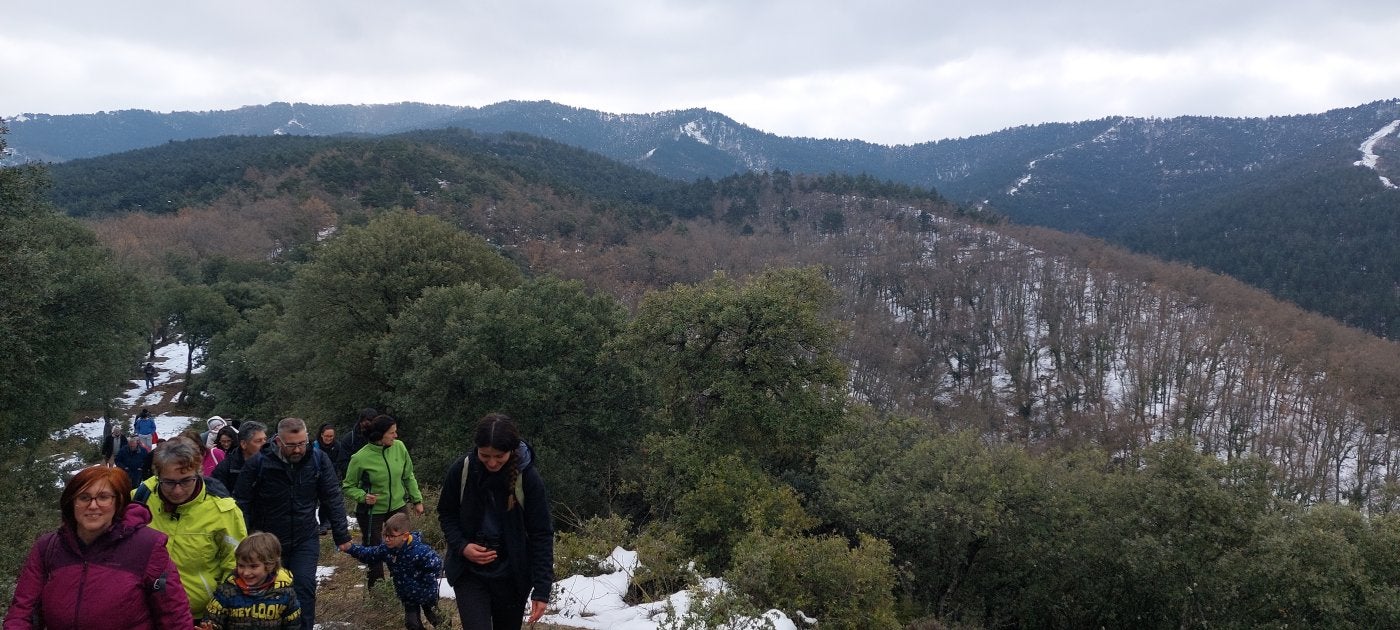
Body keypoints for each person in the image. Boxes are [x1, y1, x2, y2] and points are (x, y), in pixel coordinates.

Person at [4, 466, 193, 629]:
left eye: (103, 497)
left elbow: (174, 617)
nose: (93, 506)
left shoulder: (147, 547)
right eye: (84, 497)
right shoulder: (48, 548)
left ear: (118, 502)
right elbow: (23, 612)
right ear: (72, 503)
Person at [439, 413, 554, 629]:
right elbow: (447, 514)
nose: (492, 463)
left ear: (511, 451)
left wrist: (542, 589)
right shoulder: (462, 469)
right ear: (477, 449)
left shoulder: (528, 478)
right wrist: (462, 547)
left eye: (499, 456)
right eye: (485, 456)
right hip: (469, 572)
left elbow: (541, 534)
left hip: (512, 574)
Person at [234, 417, 351, 630]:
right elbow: (242, 502)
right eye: (292, 445)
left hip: (304, 537)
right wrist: (243, 539)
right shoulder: (258, 463)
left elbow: (332, 496)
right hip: (267, 542)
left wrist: (341, 535)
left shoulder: (317, 459)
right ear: (278, 441)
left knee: (304, 587)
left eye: (302, 443)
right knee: (268, 592)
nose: (298, 450)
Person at [137, 439, 247, 619]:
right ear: (158, 476)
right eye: (169, 482)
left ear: (199, 473)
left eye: (186, 481)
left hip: (200, 615)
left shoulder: (223, 511)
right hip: (146, 612)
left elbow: (236, 565)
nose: (178, 491)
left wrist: (220, 611)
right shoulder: (141, 499)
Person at [343, 415, 425, 588]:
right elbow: (348, 486)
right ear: (380, 435)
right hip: (372, 511)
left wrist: (417, 500)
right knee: (375, 549)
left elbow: (408, 475)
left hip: (397, 505)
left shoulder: (400, 447)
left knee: (403, 545)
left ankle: (404, 585)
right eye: (392, 433)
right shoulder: (360, 457)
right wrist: (363, 496)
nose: (395, 436)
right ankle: (378, 590)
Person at [344, 512, 443, 630]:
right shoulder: (387, 549)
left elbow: (437, 564)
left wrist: (426, 581)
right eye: (385, 535)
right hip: (408, 596)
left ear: (405, 536)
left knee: (436, 619)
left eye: (391, 536)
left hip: (427, 594)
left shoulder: (420, 551)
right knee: (412, 624)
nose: (387, 539)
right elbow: (370, 554)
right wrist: (351, 548)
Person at [200, 532, 300, 630]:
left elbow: (293, 624)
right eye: (241, 565)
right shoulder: (227, 591)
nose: (246, 573)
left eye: (253, 566)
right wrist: (210, 626)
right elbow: (212, 618)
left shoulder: (284, 593)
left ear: (270, 565)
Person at [211, 421, 268, 492]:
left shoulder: (272, 463)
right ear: (244, 444)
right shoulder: (225, 468)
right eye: (258, 441)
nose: (264, 444)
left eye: (265, 439)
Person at [311, 423, 346, 536]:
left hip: (331, 478)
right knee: (313, 502)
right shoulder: (314, 446)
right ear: (321, 435)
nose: (329, 438)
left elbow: (340, 461)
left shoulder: (337, 446)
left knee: (328, 502)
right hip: (315, 478)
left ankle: (325, 523)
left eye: (331, 436)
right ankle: (316, 524)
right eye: (326, 436)